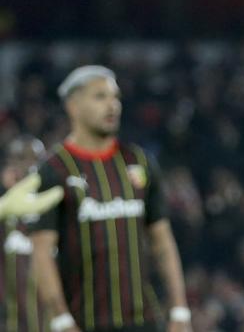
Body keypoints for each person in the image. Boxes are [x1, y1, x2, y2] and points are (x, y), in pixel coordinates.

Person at [28, 66, 193, 332]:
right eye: (100, 97)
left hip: (144, 321)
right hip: (85, 322)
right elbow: (41, 253)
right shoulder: (53, 170)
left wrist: (180, 310)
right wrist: (61, 319)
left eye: (115, 97)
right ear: (73, 105)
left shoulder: (139, 162)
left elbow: (162, 241)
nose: (112, 105)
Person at [2, 136, 58, 332]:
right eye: (20, 159)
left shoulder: (54, 202)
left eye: (35, 159)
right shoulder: (4, 207)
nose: (28, 166)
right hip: (11, 320)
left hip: (54, 319)